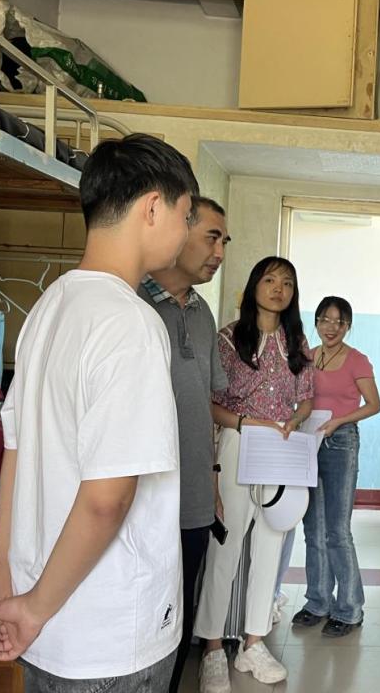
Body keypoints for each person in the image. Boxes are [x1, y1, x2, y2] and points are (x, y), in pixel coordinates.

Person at [0, 135, 198, 691]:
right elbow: (107, 499)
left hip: (45, 617)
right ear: (153, 207)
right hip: (109, 632)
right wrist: (31, 607)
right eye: (186, 214)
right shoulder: (130, 322)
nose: (187, 231)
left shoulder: (49, 306)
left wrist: (5, 571)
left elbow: (15, 454)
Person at [195, 256, 314, 691]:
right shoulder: (229, 339)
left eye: (288, 282)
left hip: (280, 447)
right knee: (225, 545)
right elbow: (211, 403)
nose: (279, 288)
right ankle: (212, 647)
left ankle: (254, 642)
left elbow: (306, 397)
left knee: (270, 544)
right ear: (253, 287)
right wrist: (247, 423)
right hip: (239, 441)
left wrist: (296, 419)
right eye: (270, 280)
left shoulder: (297, 341)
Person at [136, 195, 231, 693]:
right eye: (212, 237)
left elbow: (204, 405)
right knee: (139, 624)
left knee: (178, 617)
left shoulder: (201, 312)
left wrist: (211, 479)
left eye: (224, 241)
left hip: (192, 498)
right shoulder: (130, 302)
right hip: (138, 500)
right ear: (177, 228)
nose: (220, 253)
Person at [291, 296, 380, 637]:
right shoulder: (308, 357)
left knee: (337, 531)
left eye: (339, 322)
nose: (331, 327)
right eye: (325, 320)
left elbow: (374, 404)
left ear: (348, 326)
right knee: (313, 529)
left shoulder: (357, 360)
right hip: (308, 441)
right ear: (316, 322)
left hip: (340, 442)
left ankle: (350, 608)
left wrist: (339, 421)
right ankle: (318, 602)